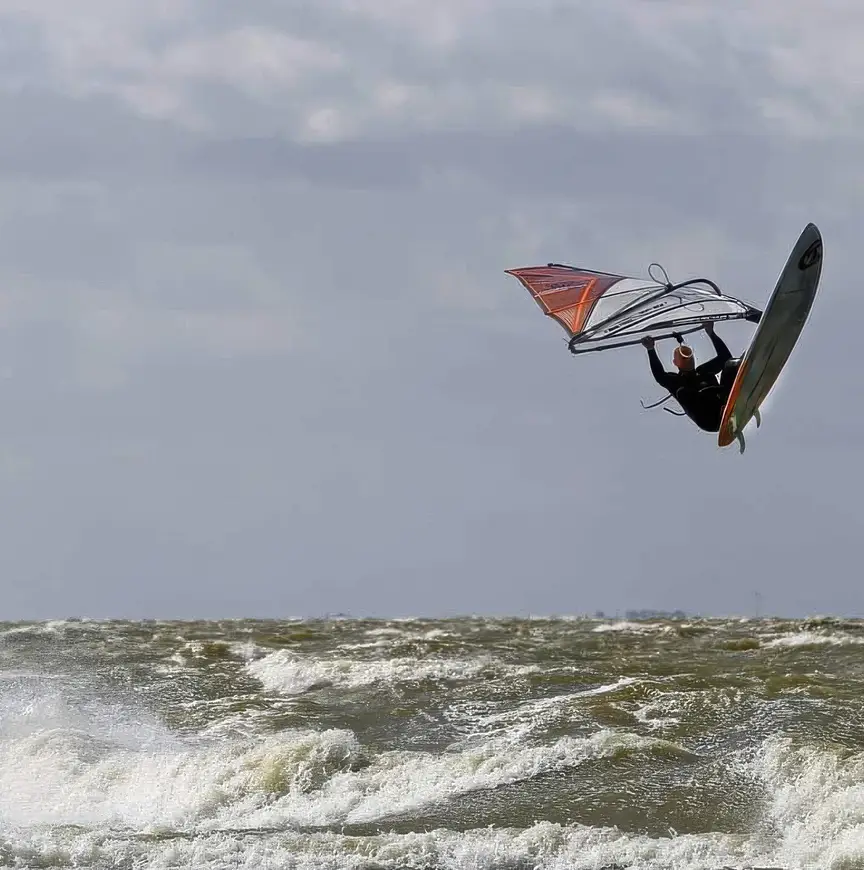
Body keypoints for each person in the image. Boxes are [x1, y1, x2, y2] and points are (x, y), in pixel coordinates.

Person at [640, 322, 740, 432]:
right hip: (709, 420)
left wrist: (711, 333)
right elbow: (660, 376)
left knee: (731, 364)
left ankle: (732, 399)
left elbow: (725, 357)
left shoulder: (703, 372)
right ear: (675, 363)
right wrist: (650, 349)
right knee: (683, 391)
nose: (687, 358)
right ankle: (724, 409)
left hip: (723, 403)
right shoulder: (676, 381)